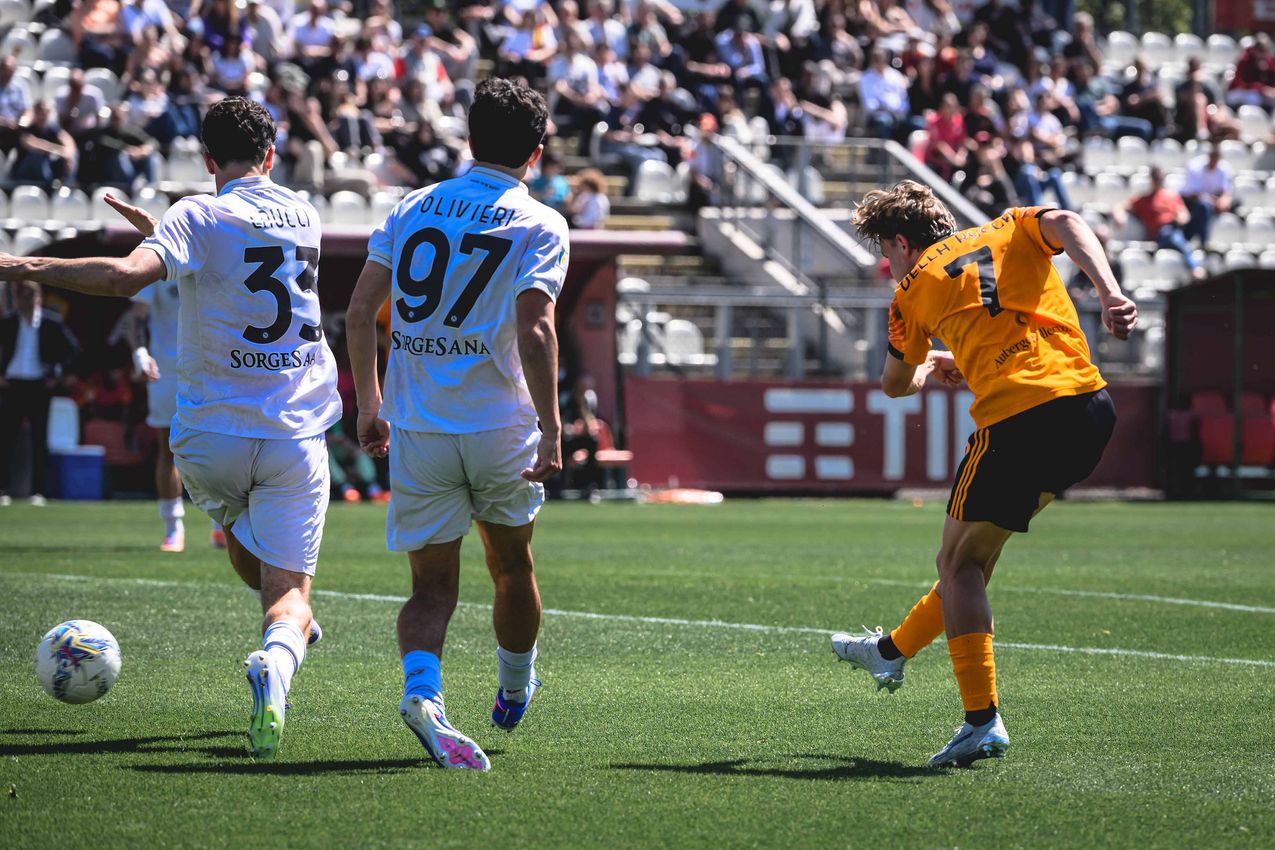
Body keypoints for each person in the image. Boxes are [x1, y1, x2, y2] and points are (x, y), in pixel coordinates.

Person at [0, 97, 340, 760]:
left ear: (206, 160)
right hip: (294, 433)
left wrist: (21, 265)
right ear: (271, 155)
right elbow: (244, 261)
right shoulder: (305, 212)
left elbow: (131, 277)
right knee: (287, 594)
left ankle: (285, 631)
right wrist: (166, 231)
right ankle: (278, 652)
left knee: (244, 532)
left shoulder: (196, 214)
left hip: (208, 440)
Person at [834, 181, 1137, 768]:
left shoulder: (910, 290)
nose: (889, 264)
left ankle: (981, 721)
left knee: (960, 564)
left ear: (901, 241)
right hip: (1089, 409)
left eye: (886, 252)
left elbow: (894, 386)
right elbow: (1069, 221)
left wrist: (925, 366)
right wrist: (1110, 292)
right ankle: (890, 650)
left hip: (1017, 424)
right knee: (976, 558)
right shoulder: (1007, 226)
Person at [346, 77, 567, 772]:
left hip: (419, 427)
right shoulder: (539, 222)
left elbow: (357, 315)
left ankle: (425, 694)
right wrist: (555, 430)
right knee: (511, 565)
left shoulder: (412, 206)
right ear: (536, 152)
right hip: (500, 426)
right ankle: (512, 686)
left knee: (430, 588)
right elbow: (534, 333)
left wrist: (369, 404)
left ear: (468, 139)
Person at [0, 281, 80, 507]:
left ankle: (38, 492)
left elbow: (73, 349)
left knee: (39, 439)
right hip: (13, 384)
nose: (23, 301)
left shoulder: (50, 322)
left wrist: (57, 371)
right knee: (6, 438)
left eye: (27, 296)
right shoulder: (8, 322)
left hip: (38, 385)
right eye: (20, 296)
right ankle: (2, 489)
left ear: (37, 298)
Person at [1113, 166, 1205, 280]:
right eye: (1155, 178)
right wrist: (1119, 216)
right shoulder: (1144, 199)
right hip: (1160, 234)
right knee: (1172, 236)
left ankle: (1195, 265)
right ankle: (1194, 267)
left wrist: (1180, 218)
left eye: (1159, 178)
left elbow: (1184, 214)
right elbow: (1121, 206)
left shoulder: (1172, 196)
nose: (1158, 181)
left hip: (1175, 229)